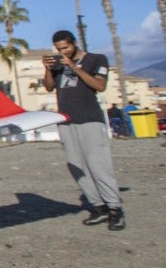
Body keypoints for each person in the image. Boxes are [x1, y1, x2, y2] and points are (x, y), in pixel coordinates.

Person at [43, 29, 125, 231]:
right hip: (66, 120)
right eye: (59, 49)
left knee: (98, 165)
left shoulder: (96, 59)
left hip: (90, 119)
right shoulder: (58, 64)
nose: (64, 51)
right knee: (75, 165)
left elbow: (99, 85)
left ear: (75, 43)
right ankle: (98, 206)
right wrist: (47, 69)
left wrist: (73, 67)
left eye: (66, 47)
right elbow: (49, 87)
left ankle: (115, 208)